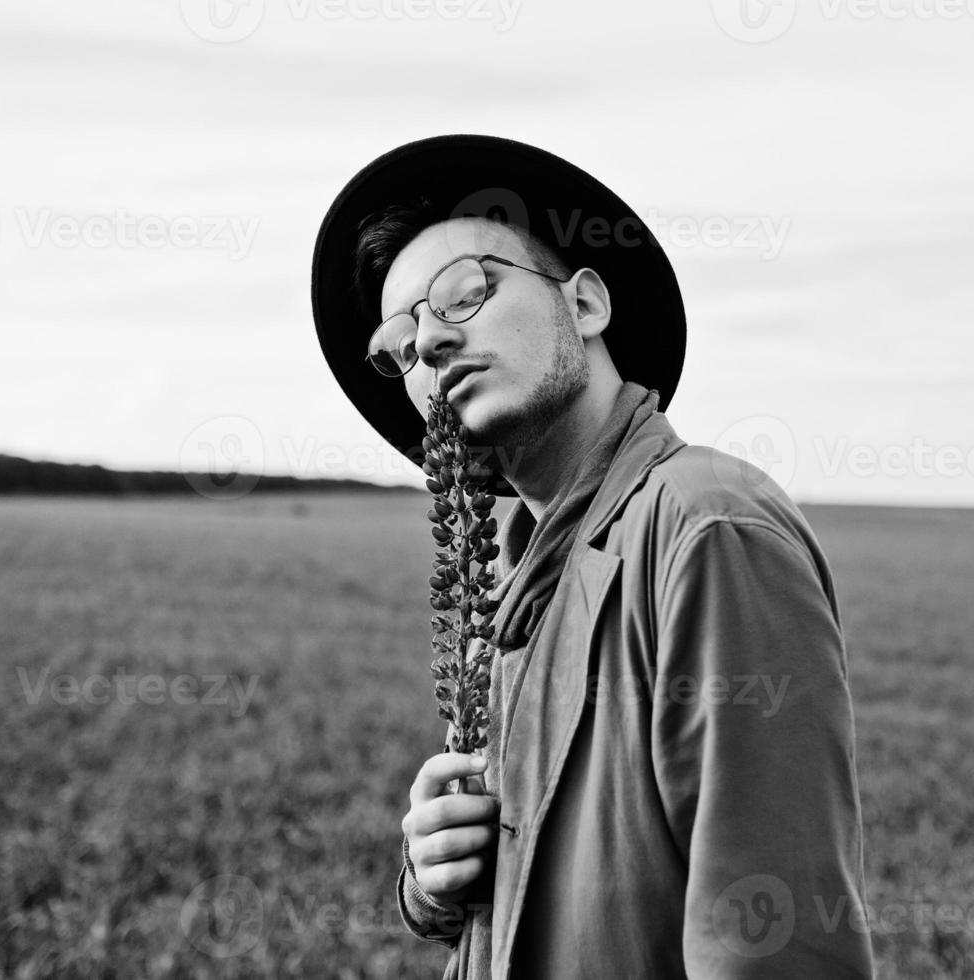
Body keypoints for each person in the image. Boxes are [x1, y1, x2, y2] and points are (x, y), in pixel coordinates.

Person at [310, 135, 873, 979]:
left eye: (465, 293)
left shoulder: (704, 528)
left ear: (585, 306)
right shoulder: (509, 586)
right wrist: (430, 881)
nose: (426, 346)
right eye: (400, 340)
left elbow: (775, 940)